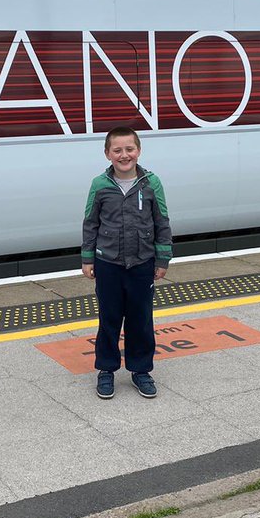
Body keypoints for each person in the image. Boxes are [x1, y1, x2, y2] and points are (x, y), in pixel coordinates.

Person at [81, 126, 172, 400]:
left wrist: (162, 258)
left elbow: (162, 222)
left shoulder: (151, 183)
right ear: (107, 154)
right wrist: (87, 258)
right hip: (108, 264)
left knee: (141, 319)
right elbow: (90, 223)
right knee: (109, 319)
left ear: (138, 151)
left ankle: (140, 370)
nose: (124, 155)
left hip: (142, 264)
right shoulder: (100, 185)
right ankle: (106, 370)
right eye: (117, 150)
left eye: (129, 149)